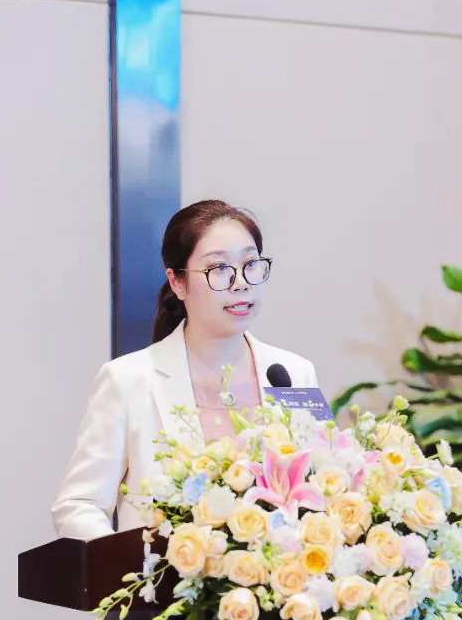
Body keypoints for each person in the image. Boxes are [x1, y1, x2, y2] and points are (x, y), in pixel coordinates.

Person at [51, 200, 320, 539]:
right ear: (177, 282)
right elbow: (79, 505)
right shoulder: (128, 380)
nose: (240, 282)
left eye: (250, 264)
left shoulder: (294, 374)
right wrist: (130, 565)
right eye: (219, 268)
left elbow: (324, 482)